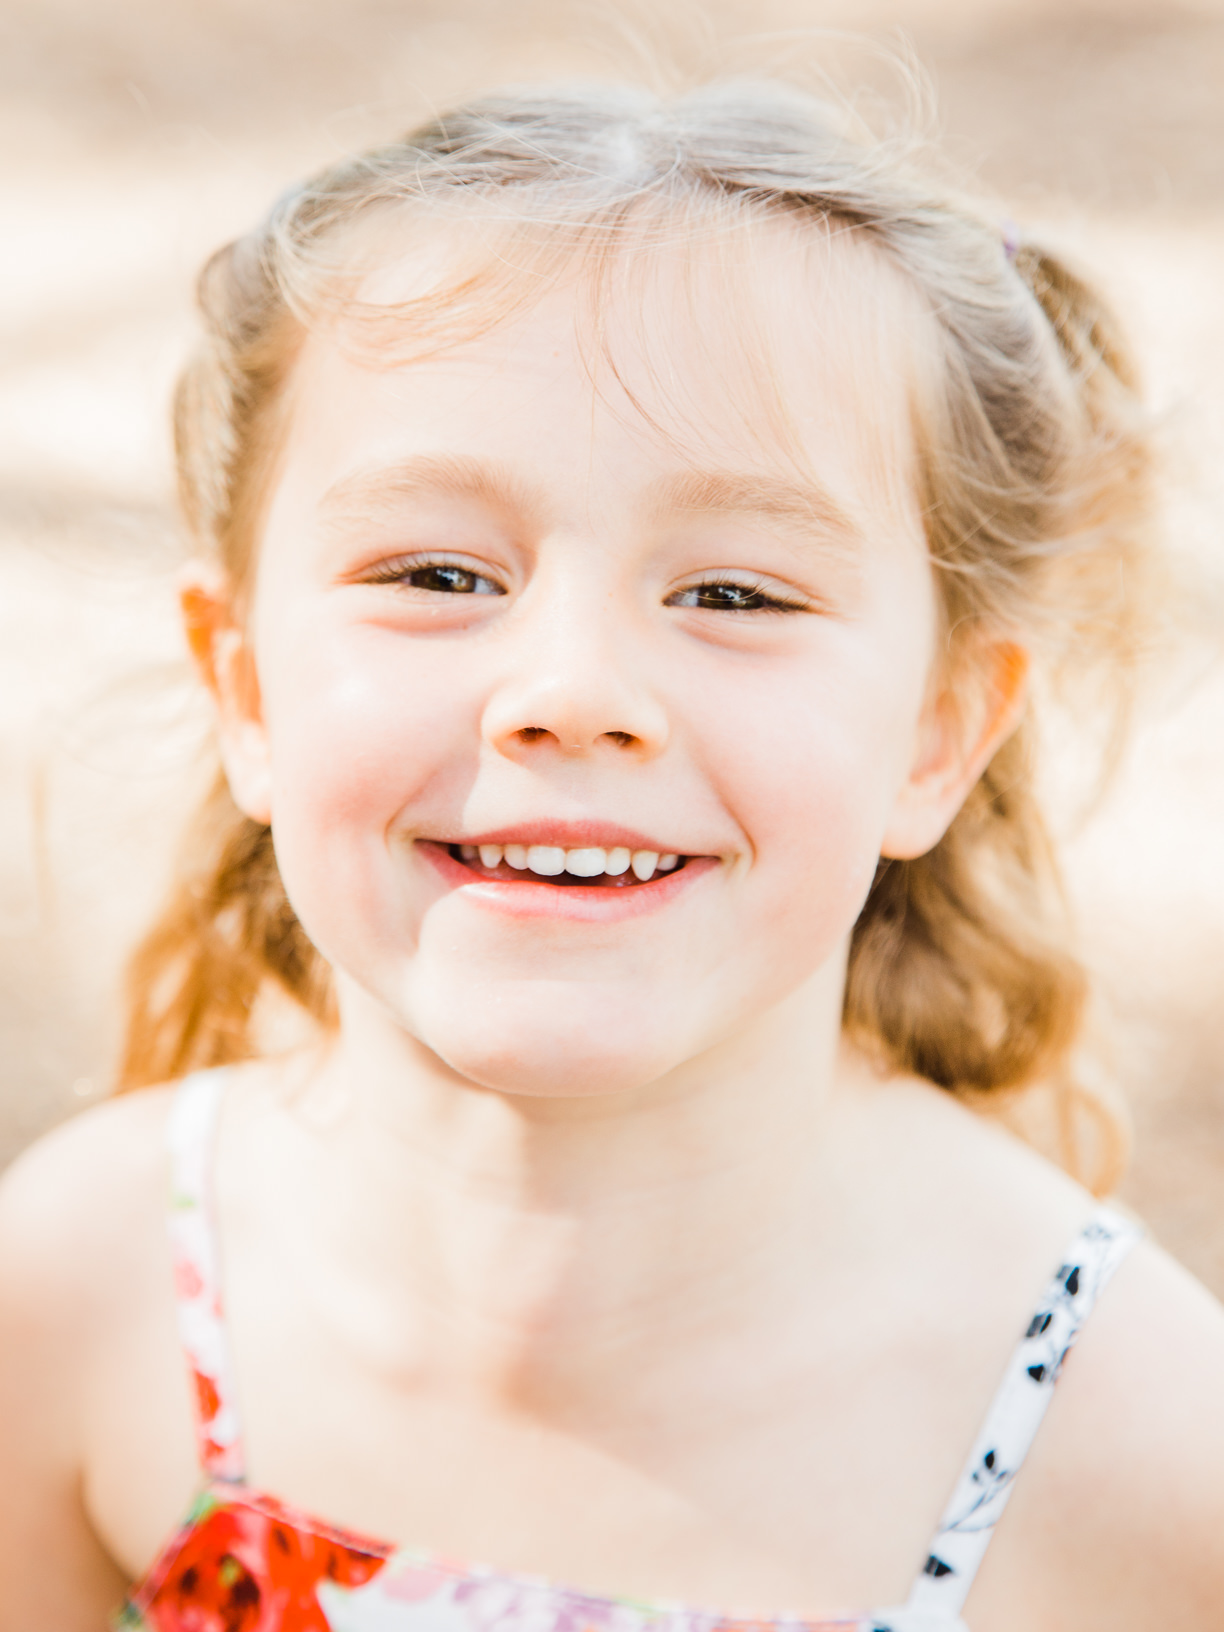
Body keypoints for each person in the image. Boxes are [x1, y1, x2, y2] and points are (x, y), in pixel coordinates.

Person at [1, 73, 1222, 1632]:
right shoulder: (88, 1285)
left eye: (736, 595)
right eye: (438, 569)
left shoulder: (1136, 1456)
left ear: (938, 733)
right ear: (244, 687)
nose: (572, 692)